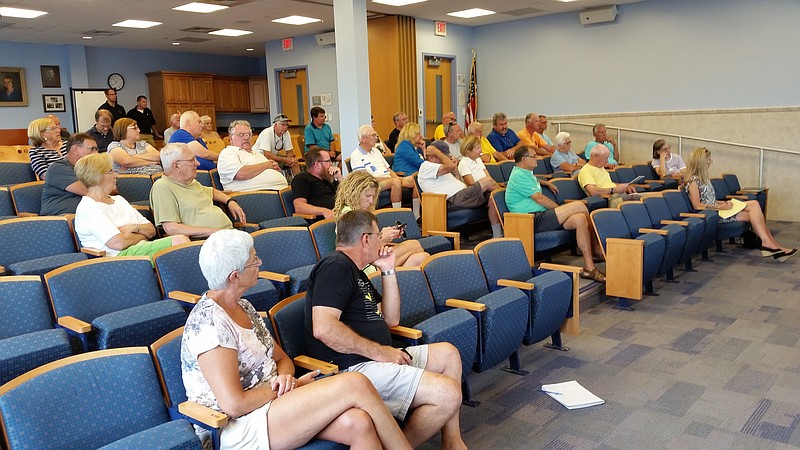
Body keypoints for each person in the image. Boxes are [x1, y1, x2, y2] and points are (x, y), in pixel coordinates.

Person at [182, 229, 412, 450]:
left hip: (272, 404)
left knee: (359, 423)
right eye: (254, 260)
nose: (260, 263)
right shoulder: (209, 323)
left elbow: (283, 360)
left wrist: (284, 378)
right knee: (355, 383)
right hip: (235, 427)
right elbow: (234, 405)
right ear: (235, 276)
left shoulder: (244, 306)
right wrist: (290, 386)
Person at [305, 210, 466, 449]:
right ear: (365, 239)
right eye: (378, 235)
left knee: (448, 354)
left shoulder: (357, 271)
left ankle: (452, 442)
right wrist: (382, 353)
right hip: (353, 368)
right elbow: (324, 328)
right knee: (448, 393)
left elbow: (391, 319)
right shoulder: (335, 266)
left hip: (378, 358)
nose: (382, 240)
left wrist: (388, 269)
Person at [506, 146, 606, 282]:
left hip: (541, 216)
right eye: (534, 156)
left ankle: (589, 268)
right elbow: (539, 198)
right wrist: (558, 210)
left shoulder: (524, 172)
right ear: (524, 159)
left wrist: (546, 183)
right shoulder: (518, 176)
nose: (538, 159)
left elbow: (533, 180)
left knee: (580, 218)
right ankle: (596, 248)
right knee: (579, 206)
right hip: (531, 219)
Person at [684, 147, 796, 261]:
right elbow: (697, 205)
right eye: (709, 159)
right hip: (713, 215)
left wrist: (722, 203)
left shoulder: (704, 179)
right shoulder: (693, 181)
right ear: (701, 162)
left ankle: (772, 245)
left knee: (754, 210)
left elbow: (709, 200)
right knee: (754, 210)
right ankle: (770, 245)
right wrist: (719, 206)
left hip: (719, 210)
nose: (711, 161)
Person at [73, 153, 188, 259]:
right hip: (118, 258)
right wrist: (142, 235)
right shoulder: (89, 208)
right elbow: (118, 243)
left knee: (183, 243)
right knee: (180, 241)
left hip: (141, 249)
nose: (115, 175)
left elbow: (151, 230)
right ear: (96, 176)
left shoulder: (119, 200)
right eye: (111, 171)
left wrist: (133, 228)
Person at [333, 171, 429, 269]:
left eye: (373, 196)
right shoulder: (348, 215)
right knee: (414, 245)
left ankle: (392, 281)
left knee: (422, 258)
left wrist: (384, 236)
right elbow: (361, 251)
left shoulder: (358, 212)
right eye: (367, 196)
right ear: (355, 194)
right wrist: (382, 238)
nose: (371, 201)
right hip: (366, 267)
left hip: (373, 259)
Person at [150, 143, 245, 238]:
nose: (198, 163)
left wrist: (229, 201)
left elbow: (211, 191)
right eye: (192, 160)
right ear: (176, 166)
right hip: (208, 240)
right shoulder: (162, 187)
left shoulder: (190, 182)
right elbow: (171, 228)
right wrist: (215, 232)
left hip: (227, 233)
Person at [419, 140, 503, 239]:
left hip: (462, 196)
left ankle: (497, 234)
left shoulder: (441, 169)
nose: (447, 159)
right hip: (451, 201)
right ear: (432, 156)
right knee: (487, 182)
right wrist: (437, 152)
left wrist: (455, 172)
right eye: (444, 156)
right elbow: (450, 166)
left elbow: (457, 181)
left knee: (493, 197)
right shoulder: (426, 166)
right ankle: (512, 210)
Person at [349, 124, 420, 218]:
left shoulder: (376, 151)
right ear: (364, 139)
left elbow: (388, 169)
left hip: (388, 179)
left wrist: (397, 178)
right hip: (373, 184)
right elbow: (364, 179)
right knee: (395, 182)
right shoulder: (356, 155)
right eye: (373, 135)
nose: (376, 138)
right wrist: (390, 179)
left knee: (415, 179)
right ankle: (397, 215)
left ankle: (416, 215)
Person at [217, 120, 288, 191]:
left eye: (248, 134)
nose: (246, 138)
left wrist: (274, 167)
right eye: (241, 135)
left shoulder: (256, 153)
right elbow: (241, 174)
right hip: (254, 194)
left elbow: (270, 166)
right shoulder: (228, 153)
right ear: (231, 139)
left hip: (279, 190)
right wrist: (267, 165)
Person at [40, 133, 98, 216]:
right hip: (58, 219)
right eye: (92, 149)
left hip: (85, 215)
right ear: (75, 150)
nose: (96, 153)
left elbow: (112, 189)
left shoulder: (90, 169)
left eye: (96, 149)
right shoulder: (58, 168)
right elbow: (89, 192)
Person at [578, 144, 637, 208]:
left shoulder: (601, 168)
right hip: (611, 199)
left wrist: (624, 187)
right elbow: (593, 191)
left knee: (646, 197)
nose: (607, 161)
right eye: (605, 158)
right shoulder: (586, 171)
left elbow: (608, 184)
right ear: (596, 156)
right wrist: (614, 190)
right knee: (642, 200)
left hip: (618, 195)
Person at [291, 148, 342, 219]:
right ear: (317, 164)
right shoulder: (303, 179)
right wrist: (324, 211)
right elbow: (299, 207)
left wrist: (339, 178)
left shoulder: (327, 179)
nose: (331, 164)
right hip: (325, 220)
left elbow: (347, 196)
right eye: (328, 161)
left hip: (341, 214)